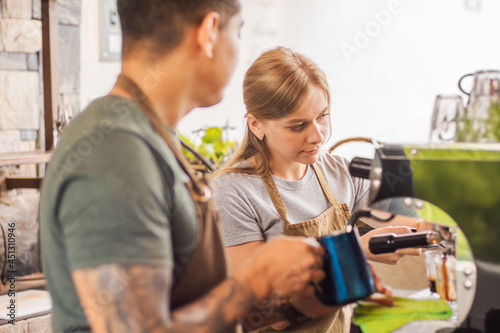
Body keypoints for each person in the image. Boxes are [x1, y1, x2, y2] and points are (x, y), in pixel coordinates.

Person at [39, 3, 338, 333]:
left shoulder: (154, 138)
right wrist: (255, 279)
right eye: (237, 32)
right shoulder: (115, 149)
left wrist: (296, 305)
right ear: (208, 32)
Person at [212, 47, 420, 332]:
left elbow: (410, 225)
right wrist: (350, 255)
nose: (318, 135)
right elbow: (259, 312)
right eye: (298, 125)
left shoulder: (340, 172)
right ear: (256, 124)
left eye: (322, 116)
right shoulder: (232, 192)